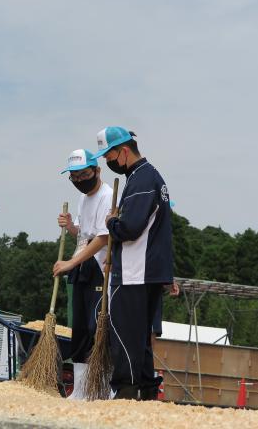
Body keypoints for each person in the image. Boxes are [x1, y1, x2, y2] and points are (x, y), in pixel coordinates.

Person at [91, 126, 173, 400]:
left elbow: (130, 227)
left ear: (124, 151)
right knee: (142, 338)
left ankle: (124, 390)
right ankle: (147, 391)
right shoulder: (152, 177)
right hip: (150, 270)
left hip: (135, 272)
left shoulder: (140, 180)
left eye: (109, 156)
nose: (107, 162)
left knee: (124, 333)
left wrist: (111, 221)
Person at [52, 149, 114, 400]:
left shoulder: (108, 195)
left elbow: (102, 238)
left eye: (84, 175)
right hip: (82, 264)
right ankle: (80, 389)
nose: (79, 181)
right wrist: (71, 226)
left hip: (100, 267)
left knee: (96, 327)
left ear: (97, 171)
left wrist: (69, 263)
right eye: (74, 177)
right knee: (79, 328)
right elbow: (84, 233)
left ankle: (104, 389)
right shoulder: (83, 198)